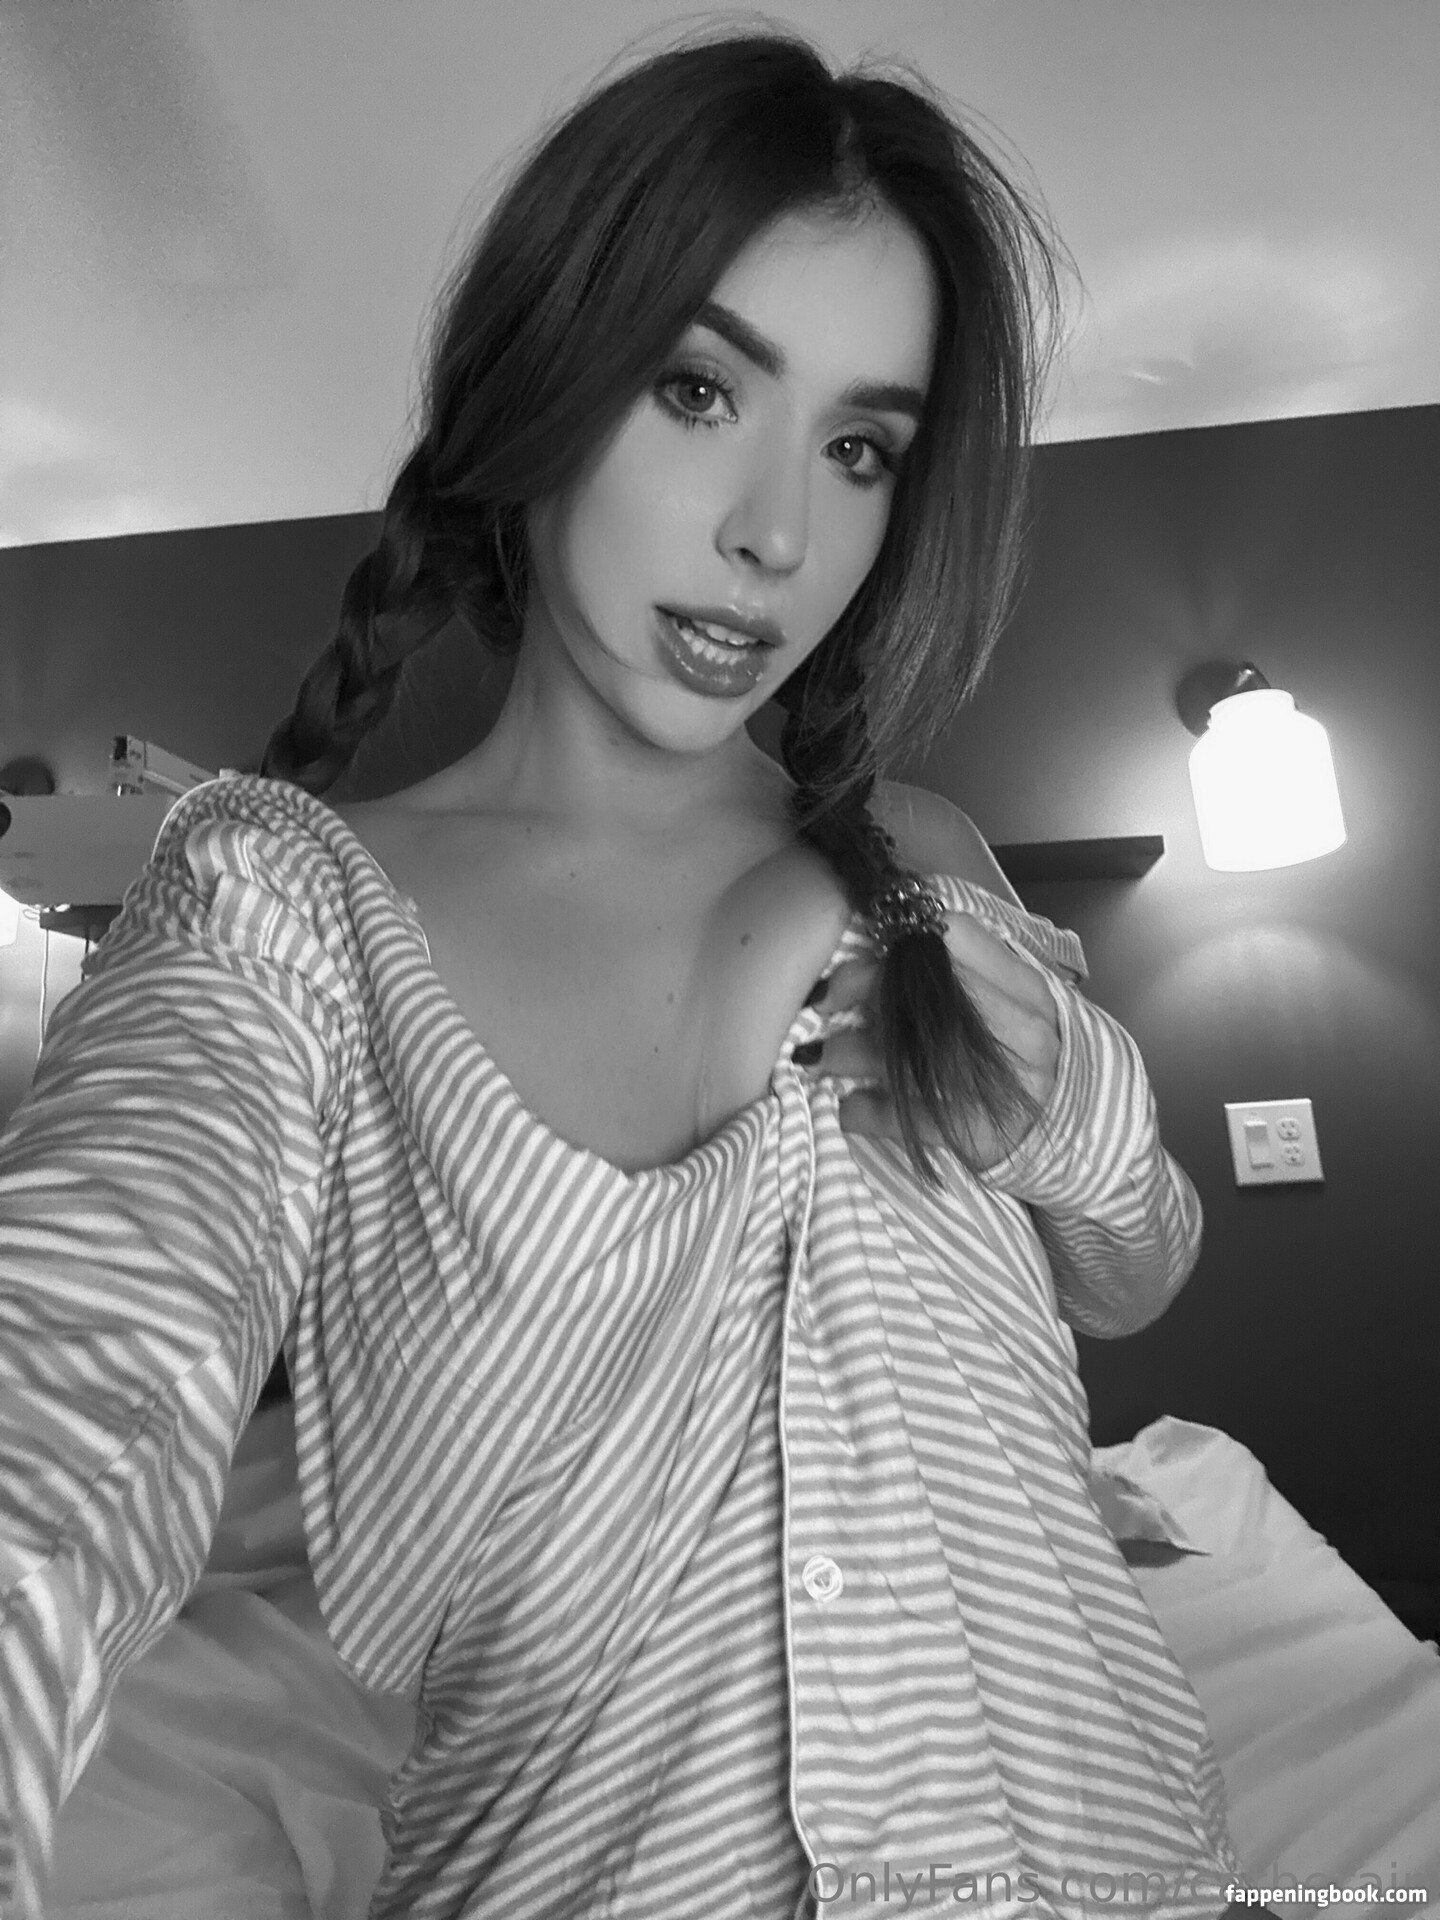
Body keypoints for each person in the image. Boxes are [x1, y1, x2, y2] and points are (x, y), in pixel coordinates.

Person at [0, 25, 1262, 1920]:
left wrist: (1061, 1102)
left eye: (858, 448)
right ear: (543, 379)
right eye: (695, 390)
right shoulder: (285, 911)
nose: (777, 535)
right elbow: (78, 1378)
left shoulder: (923, 855)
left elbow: (1143, 1255)